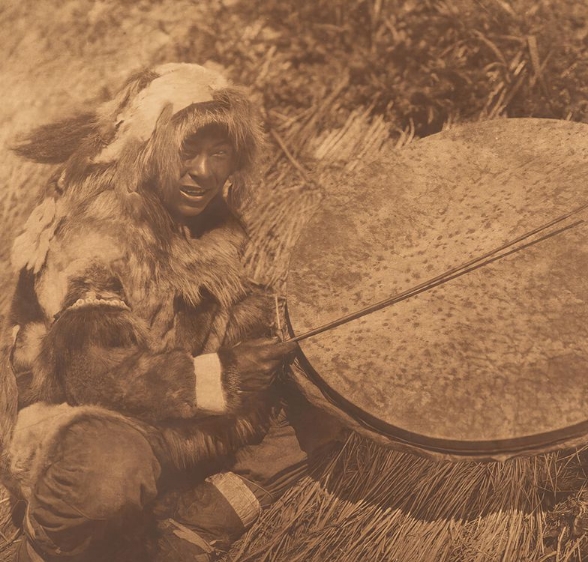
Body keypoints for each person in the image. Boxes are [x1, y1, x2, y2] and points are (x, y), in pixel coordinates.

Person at [1, 63, 342, 562]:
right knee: (110, 470)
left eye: (219, 153)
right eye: (188, 149)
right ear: (151, 149)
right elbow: (93, 374)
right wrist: (224, 376)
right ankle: (56, 540)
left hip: (169, 416)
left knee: (325, 398)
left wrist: (287, 329)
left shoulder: (210, 226)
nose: (204, 171)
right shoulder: (99, 223)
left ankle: (193, 528)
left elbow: (217, 318)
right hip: (80, 419)